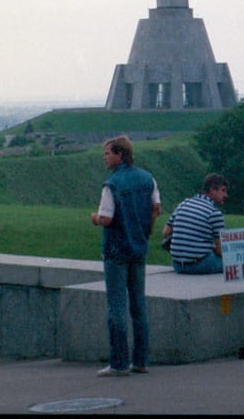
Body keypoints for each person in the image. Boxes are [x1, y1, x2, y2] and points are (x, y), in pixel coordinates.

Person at [91, 135, 161, 375]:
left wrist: (95, 218)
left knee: (117, 307)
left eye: (108, 153)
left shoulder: (112, 184)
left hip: (116, 250)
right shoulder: (147, 178)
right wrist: (146, 231)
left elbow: (107, 218)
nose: (104, 158)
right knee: (139, 305)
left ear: (120, 154)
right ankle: (141, 361)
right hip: (139, 248)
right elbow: (156, 208)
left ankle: (119, 363)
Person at [162, 173, 228, 274]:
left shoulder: (184, 203)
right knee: (232, 264)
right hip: (200, 265)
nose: (226, 195)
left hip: (177, 265)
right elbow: (220, 250)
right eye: (223, 190)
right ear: (212, 190)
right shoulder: (214, 213)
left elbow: (166, 232)